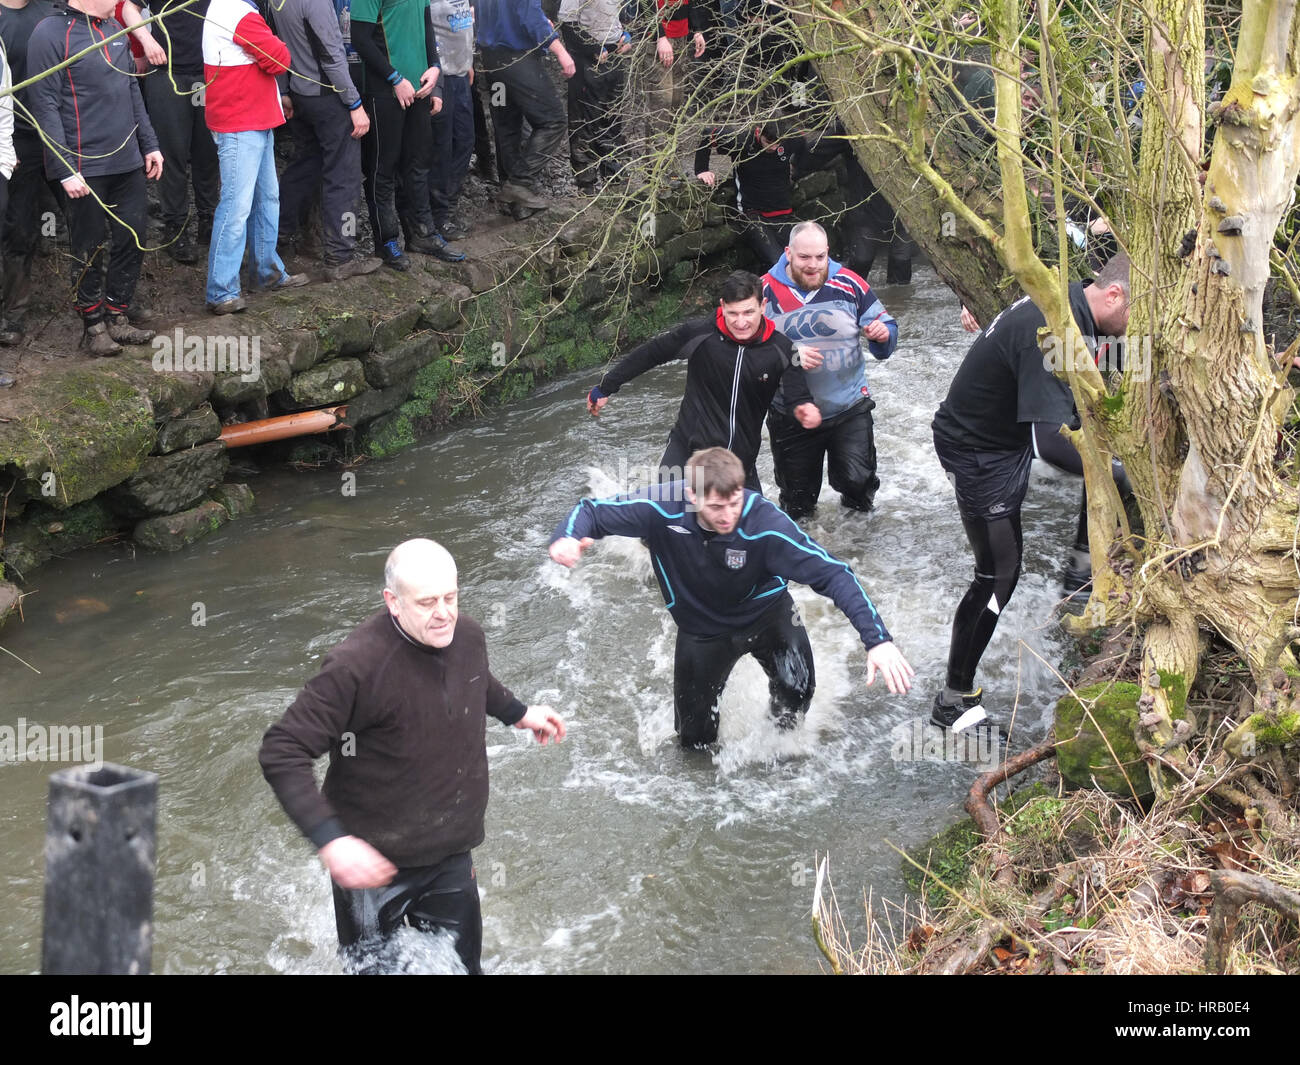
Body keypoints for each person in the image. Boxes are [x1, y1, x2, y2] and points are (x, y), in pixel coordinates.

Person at [259, 538, 565, 974]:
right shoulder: (356, 666)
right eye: (426, 602)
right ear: (393, 602)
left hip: (451, 850)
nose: (443, 613)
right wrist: (332, 841)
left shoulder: (468, 636)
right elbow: (282, 749)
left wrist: (519, 714)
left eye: (450, 597)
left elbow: (476, 680)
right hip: (373, 866)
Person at [549, 447, 914, 747]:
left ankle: (776, 760)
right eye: (716, 507)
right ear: (692, 496)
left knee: (797, 695)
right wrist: (567, 536)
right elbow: (591, 512)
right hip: (702, 632)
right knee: (694, 740)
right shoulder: (661, 508)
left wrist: (877, 640)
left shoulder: (765, 526)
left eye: (734, 503)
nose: (728, 516)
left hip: (768, 615)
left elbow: (833, 574)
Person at [930, 253, 1131, 734]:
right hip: (977, 449)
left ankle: (1079, 585)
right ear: (1114, 295)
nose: (1133, 330)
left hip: (1004, 435)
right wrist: (1124, 475)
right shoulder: (1056, 331)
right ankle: (952, 699)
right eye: (1135, 317)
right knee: (999, 572)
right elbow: (1052, 446)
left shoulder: (1073, 300)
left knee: (1105, 462)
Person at [585, 270, 821, 494]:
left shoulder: (782, 349)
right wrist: (606, 387)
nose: (740, 322)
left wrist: (804, 408)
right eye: (733, 313)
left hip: (739, 462)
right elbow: (651, 353)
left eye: (748, 312)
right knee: (663, 521)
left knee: (752, 534)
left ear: (763, 306)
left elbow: (797, 395)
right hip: (686, 453)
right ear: (722, 307)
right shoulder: (699, 334)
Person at [26, 0, 164, 354]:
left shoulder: (114, 31)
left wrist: (149, 144)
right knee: (88, 245)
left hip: (127, 160)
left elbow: (132, 91)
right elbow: (45, 104)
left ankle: (117, 315)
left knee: (134, 236)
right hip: (83, 165)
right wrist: (65, 167)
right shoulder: (49, 33)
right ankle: (93, 325)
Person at [762, 220, 898, 519]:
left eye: (820, 257)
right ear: (788, 254)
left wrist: (883, 335)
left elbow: (886, 330)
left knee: (858, 484)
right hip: (791, 412)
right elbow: (745, 350)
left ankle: (860, 550)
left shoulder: (850, 284)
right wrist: (790, 353)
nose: (813, 265)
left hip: (849, 406)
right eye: (804, 258)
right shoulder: (764, 292)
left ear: (827, 253)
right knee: (797, 504)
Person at [203, 0, 308, 313]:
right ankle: (221, 290)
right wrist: (276, 45)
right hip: (241, 120)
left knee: (266, 200)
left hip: (254, 118)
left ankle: (266, 272)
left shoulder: (230, 9)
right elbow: (280, 60)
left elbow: (270, 58)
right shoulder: (239, 11)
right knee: (236, 207)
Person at [271, 0, 383, 280]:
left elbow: (277, 46)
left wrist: (284, 90)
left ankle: (277, 237)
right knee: (344, 177)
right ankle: (340, 256)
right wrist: (354, 103)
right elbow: (331, 54)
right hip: (328, 97)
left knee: (305, 166)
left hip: (299, 95)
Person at [352, 0, 465, 268]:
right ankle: (387, 242)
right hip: (383, 92)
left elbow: (427, 28)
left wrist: (435, 67)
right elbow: (360, 38)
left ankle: (422, 234)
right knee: (383, 170)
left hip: (419, 88)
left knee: (418, 164)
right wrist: (394, 78)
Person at [476, 0, 574, 219]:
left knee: (506, 127)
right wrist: (560, 51)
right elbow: (530, 15)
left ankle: (517, 203)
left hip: (492, 65)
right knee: (553, 121)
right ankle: (519, 183)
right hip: (516, 61)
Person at [139, 0, 218, 265]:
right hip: (166, 74)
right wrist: (145, 41)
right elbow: (126, 5)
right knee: (171, 154)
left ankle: (209, 220)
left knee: (209, 150)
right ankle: (175, 229)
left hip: (208, 72)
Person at [696, 121, 804, 268]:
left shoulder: (791, 138)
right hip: (753, 215)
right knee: (777, 263)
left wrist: (797, 168)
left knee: (804, 258)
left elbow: (804, 143)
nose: (774, 148)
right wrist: (702, 169)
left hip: (784, 214)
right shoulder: (741, 140)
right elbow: (708, 134)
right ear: (759, 132)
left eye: (778, 144)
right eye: (769, 143)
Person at [557, 0, 630, 190]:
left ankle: (611, 168)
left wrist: (627, 35)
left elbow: (623, 12)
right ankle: (586, 178)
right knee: (585, 119)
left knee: (612, 114)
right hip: (586, 58)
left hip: (615, 52)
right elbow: (567, 23)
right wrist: (592, 48)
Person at [427, 0, 475, 240]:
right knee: (441, 148)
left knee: (465, 141)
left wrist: (469, 62)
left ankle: (449, 202)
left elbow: (466, 25)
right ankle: (438, 216)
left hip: (460, 74)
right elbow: (424, 31)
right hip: (440, 77)